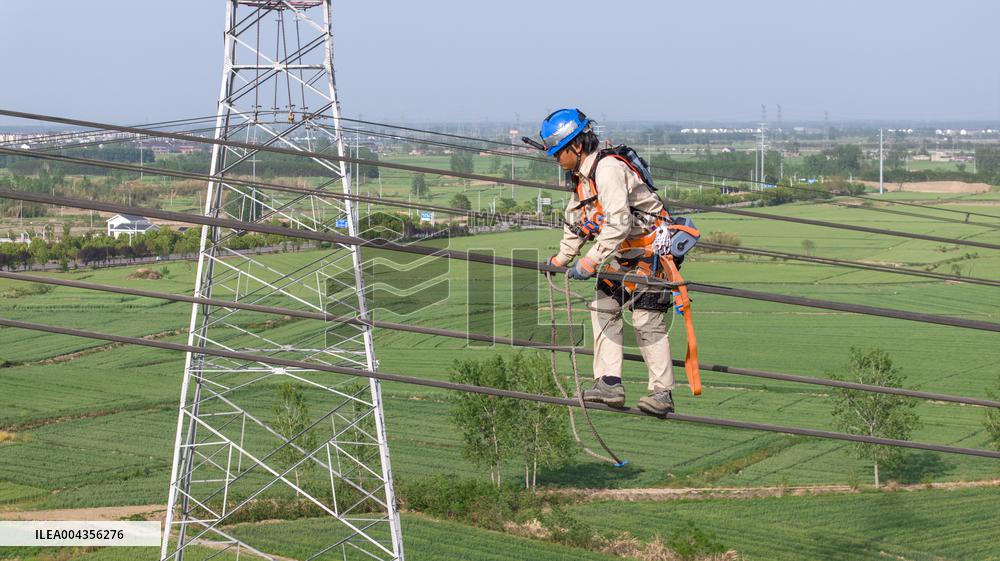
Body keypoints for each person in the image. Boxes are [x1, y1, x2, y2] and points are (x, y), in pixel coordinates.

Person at [538, 108, 678, 415]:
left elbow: (618, 223)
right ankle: (609, 383)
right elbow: (576, 221)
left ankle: (662, 393)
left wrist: (589, 262)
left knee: (646, 319)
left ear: (576, 146)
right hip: (624, 252)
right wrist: (561, 259)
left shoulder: (608, 169)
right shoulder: (582, 178)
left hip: (653, 251)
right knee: (602, 308)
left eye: (558, 152)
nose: (555, 159)